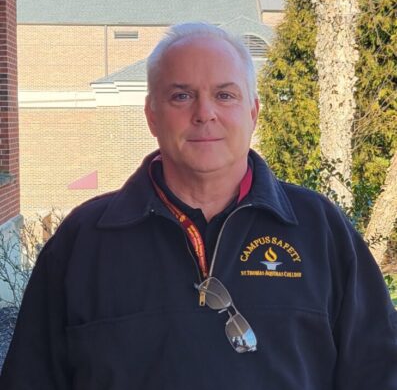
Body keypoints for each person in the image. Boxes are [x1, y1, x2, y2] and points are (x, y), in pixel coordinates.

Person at [1, 22, 396, 390]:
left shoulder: (321, 231)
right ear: (151, 115)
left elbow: (378, 373)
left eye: (225, 95)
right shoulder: (83, 242)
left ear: (253, 112)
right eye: (181, 95)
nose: (204, 113)